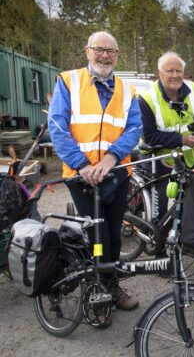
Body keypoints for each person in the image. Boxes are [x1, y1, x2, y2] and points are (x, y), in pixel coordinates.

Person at [48, 31, 143, 313]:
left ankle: (111, 285)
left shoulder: (128, 90)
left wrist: (112, 158)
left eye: (110, 51)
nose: (104, 56)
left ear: (117, 55)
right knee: (94, 236)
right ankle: (94, 290)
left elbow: (134, 129)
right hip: (82, 176)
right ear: (87, 51)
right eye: (99, 50)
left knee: (114, 235)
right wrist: (82, 165)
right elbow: (57, 126)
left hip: (116, 173)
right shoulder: (69, 81)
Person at [137, 52, 194, 243]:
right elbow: (149, 136)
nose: (175, 75)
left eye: (179, 71)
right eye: (170, 71)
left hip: (185, 160)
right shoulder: (147, 98)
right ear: (160, 73)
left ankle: (184, 242)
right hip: (157, 162)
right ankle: (157, 246)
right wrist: (181, 139)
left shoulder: (192, 89)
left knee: (187, 203)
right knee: (158, 213)